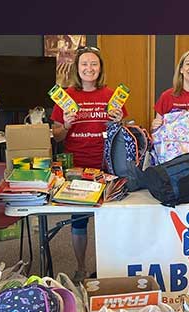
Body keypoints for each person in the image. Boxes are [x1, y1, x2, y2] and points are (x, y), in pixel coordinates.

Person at [51, 46, 127, 282]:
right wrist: (65, 124)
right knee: (79, 220)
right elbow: (57, 136)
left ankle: (110, 268)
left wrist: (119, 121)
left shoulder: (112, 95)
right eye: (84, 64)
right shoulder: (66, 97)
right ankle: (81, 267)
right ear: (77, 68)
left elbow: (122, 134)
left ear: (100, 68)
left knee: (110, 219)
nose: (89, 68)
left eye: (94, 64)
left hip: (107, 165)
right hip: (77, 168)